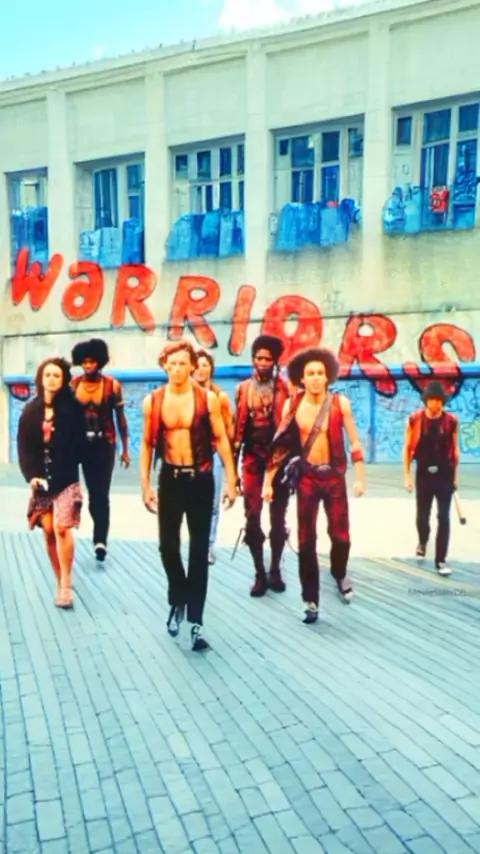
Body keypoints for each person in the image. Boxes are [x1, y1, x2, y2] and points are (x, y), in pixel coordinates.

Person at [140, 340, 237, 652]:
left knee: (198, 552)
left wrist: (231, 480)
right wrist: (145, 485)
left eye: (183, 363)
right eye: (172, 364)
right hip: (170, 479)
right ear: (164, 366)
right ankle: (178, 597)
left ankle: (196, 620)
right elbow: (146, 444)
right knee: (167, 547)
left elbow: (221, 439)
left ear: (193, 366)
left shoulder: (207, 399)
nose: (178, 369)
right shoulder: (153, 401)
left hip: (201, 479)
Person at [263, 347, 366, 624]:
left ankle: (339, 572)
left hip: (333, 477)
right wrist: (269, 483)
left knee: (341, 536)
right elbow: (279, 447)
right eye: (311, 374)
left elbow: (355, 441)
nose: (317, 378)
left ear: (328, 376)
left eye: (321, 373)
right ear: (302, 378)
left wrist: (360, 477)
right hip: (307, 478)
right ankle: (310, 600)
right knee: (306, 540)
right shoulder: (292, 405)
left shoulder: (340, 404)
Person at [17, 358, 86, 609]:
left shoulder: (74, 409)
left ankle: (66, 583)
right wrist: (32, 475)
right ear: (40, 378)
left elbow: (80, 445)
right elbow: (24, 447)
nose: (52, 379)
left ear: (64, 379)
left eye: (57, 375)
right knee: (47, 529)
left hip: (65, 477)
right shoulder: (30, 410)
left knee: (62, 527)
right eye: (47, 374)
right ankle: (59, 578)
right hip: (40, 478)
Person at [233, 334, 290, 597]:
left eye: (268, 359)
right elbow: (237, 431)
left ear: (275, 361)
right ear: (253, 359)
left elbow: (289, 429)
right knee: (252, 516)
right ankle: (259, 573)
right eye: (259, 358)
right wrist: (233, 474)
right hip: (252, 458)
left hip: (279, 458)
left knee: (278, 518)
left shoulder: (285, 388)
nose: (263, 363)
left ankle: (275, 569)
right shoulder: (243, 388)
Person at [71, 338, 130, 562]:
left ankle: (100, 540)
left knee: (100, 494)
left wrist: (125, 449)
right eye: (84, 362)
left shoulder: (112, 386)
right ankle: (88, 530)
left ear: (100, 362)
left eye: (92, 362)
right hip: (80, 445)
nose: (88, 366)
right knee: (86, 492)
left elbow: (121, 419)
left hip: (104, 445)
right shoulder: (74, 385)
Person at [403, 380, 459, 576]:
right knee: (422, 516)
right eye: (432, 400)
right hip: (424, 473)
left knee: (444, 517)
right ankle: (422, 541)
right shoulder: (415, 419)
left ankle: (441, 559)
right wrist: (407, 476)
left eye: (438, 400)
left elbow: (455, 450)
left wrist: (455, 477)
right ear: (426, 400)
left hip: (444, 473)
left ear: (443, 402)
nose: (435, 404)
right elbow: (407, 449)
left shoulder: (451, 421)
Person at [194, 349, 235, 564]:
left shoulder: (220, 397)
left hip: (214, 454)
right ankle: (196, 543)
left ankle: (208, 545)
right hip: (190, 455)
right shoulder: (185, 396)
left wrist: (231, 469)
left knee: (212, 503)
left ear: (211, 368)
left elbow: (229, 432)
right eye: (197, 365)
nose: (201, 369)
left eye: (205, 365)